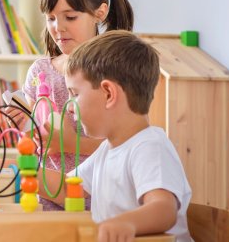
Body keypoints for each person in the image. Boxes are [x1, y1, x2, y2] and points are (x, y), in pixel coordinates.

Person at [42, 30, 192, 241]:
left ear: (109, 94)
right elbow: (68, 189)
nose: (69, 107)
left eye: (75, 94)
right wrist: (20, 171)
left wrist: (126, 222)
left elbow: (164, 209)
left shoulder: (149, 147)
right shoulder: (108, 148)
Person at [14, 0, 134, 211]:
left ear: (99, 13)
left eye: (70, 16)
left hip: (95, 203)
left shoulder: (117, 69)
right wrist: (23, 127)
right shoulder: (40, 71)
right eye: (51, 18)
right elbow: (34, 145)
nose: (58, 28)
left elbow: (129, 146)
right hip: (43, 200)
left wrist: (68, 143)